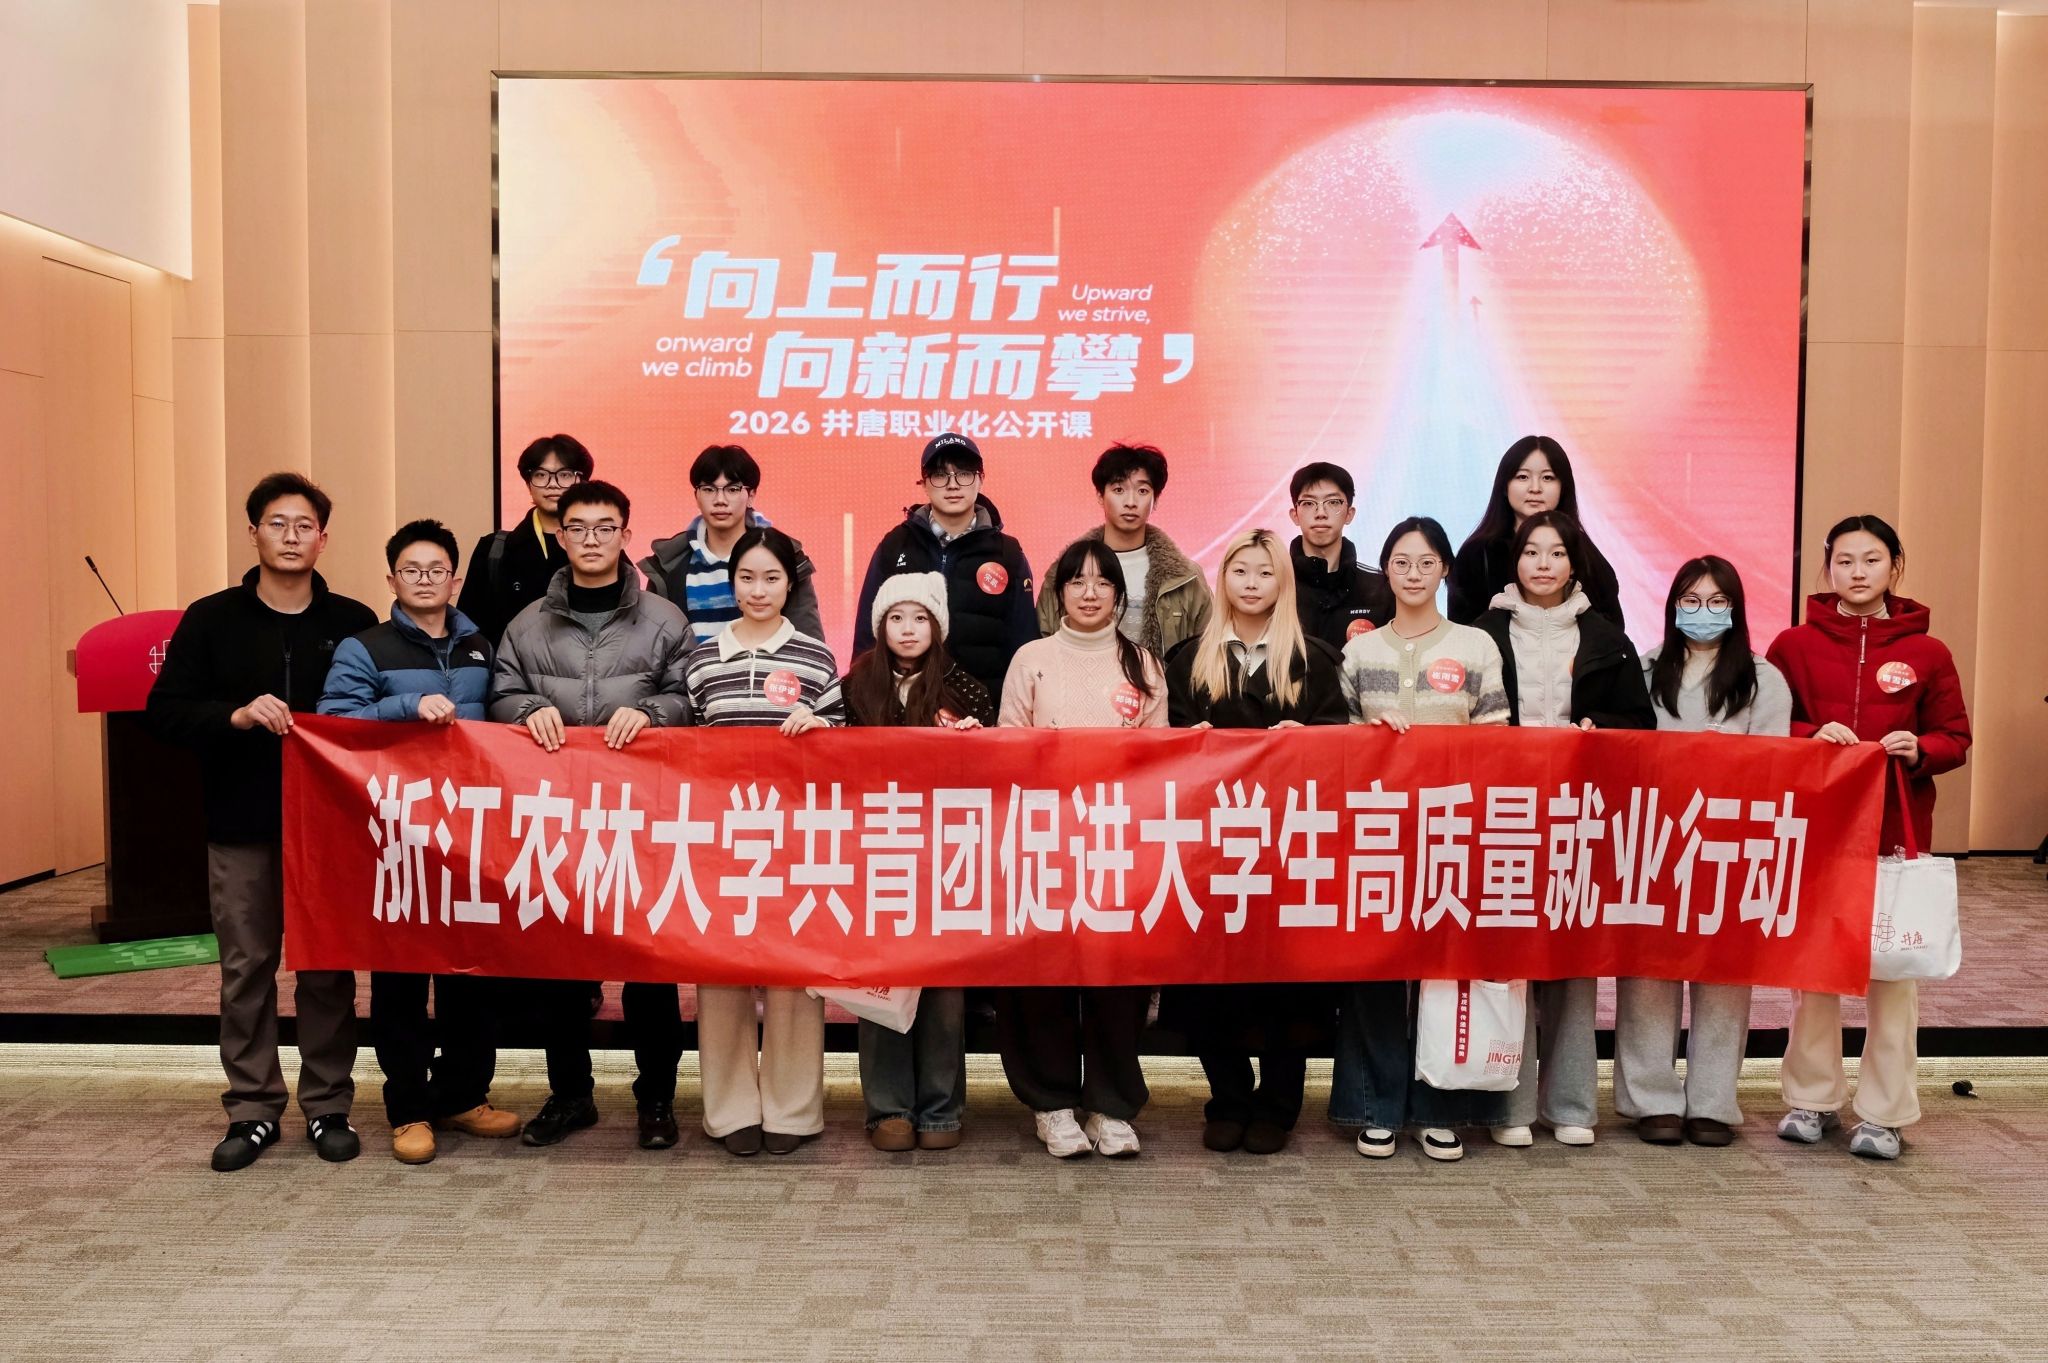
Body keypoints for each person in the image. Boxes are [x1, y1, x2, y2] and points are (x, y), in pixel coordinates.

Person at [147, 472, 378, 1171]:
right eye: (277, 523)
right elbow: (165, 712)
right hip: (241, 822)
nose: (290, 536)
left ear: (323, 538)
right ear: (253, 533)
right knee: (246, 966)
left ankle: (329, 1103)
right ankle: (251, 1108)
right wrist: (237, 715)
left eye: (304, 525)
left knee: (327, 970)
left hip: (330, 828)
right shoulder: (211, 618)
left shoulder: (353, 621)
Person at [488, 479, 693, 1152]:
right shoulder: (527, 624)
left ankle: (656, 1098)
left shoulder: (665, 620)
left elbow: (687, 696)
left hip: (640, 816)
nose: (591, 540)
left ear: (626, 535)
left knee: (649, 969)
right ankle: (570, 1094)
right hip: (558, 816)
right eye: (578, 528)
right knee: (563, 968)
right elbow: (501, 691)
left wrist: (655, 712)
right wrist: (526, 709)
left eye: (606, 528)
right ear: (561, 535)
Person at [317, 519, 522, 1163]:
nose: (425, 580)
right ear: (392, 580)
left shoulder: (481, 645)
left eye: (437, 570)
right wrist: (406, 707)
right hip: (398, 832)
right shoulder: (364, 648)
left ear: (455, 580)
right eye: (412, 570)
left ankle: (463, 1096)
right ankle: (408, 1108)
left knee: (473, 974)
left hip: (470, 832)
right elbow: (334, 722)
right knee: (401, 978)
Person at [1766, 514, 1971, 1161]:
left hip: (1894, 835)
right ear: (1827, 567)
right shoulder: (1794, 645)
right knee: (1815, 972)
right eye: (1845, 561)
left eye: (1872, 560)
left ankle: (1885, 1112)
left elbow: (1955, 737)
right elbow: (1768, 723)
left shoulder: (1928, 652)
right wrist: (1808, 735)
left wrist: (1921, 747)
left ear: (1895, 566)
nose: (1858, 573)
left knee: (1894, 975)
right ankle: (1812, 1098)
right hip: (1818, 829)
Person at [1330, 516, 1512, 1163]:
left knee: (1445, 972)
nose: (1413, 574)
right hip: (1376, 832)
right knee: (1376, 973)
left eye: (1426, 562)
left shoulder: (1475, 646)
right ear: (1387, 569)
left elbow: (1497, 737)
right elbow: (1334, 745)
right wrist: (1366, 735)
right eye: (1401, 562)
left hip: (1453, 830)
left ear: (1444, 570)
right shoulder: (1360, 651)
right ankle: (1376, 1106)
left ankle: (1442, 1109)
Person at [1473, 509, 1654, 1149]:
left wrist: (1600, 731)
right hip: (1505, 815)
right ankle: (1510, 1105)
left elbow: (1639, 726)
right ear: (1515, 561)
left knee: (1575, 961)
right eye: (1531, 552)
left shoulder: (1606, 637)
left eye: (1555, 552)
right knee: (1512, 959)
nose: (1543, 563)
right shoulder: (1483, 634)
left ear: (1574, 563)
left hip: (1581, 816)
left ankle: (1572, 1103)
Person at [1162, 530, 1346, 1155]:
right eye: (1240, 570)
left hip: (1287, 847)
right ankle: (1228, 1098)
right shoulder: (1189, 659)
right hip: (1209, 848)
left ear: (1283, 583)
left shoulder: (1313, 659)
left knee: (1285, 979)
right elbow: (1166, 750)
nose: (1251, 583)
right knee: (1212, 979)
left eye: (1265, 573)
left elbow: (1339, 749)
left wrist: (1306, 743)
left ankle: (1278, 1106)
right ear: (1223, 579)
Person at [1613, 556, 1791, 1148]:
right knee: (1648, 973)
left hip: (1728, 844)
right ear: (1672, 607)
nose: (1703, 612)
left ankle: (1713, 1101)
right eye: (1691, 601)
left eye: (1717, 602)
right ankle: (1652, 1100)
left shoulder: (1762, 678)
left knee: (1723, 974)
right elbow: (1623, 752)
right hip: (1652, 841)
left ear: (1736, 609)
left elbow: (1775, 769)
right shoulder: (1643, 669)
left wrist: (1727, 761)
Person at [997, 540, 1167, 1158]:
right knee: (1043, 976)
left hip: (1118, 843)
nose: (1090, 593)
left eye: (1102, 582)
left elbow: (1160, 760)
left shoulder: (1143, 665)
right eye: (1077, 582)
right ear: (1059, 593)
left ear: (1119, 595)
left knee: (1114, 980)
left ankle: (1111, 1106)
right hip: (1043, 840)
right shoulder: (1031, 658)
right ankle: (1051, 1103)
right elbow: (1007, 750)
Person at [682, 525, 845, 1156]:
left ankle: (792, 1111)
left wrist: (822, 730)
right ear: (731, 584)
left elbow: (845, 748)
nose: (758, 590)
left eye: (771, 578)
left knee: (792, 974)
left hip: (794, 838)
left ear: (789, 584)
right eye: (746, 577)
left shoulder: (815, 657)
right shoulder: (702, 660)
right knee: (720, 973)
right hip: (722, 838)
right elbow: (685, 751)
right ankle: (728, 1111)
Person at [842, 571, 996, 1152]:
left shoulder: (967, 690)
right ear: (880, 626)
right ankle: (888, 1109)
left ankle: (940, 1109)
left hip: (947, 856)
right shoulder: (854, 685)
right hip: (876, 851)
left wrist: (980, 746)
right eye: (896, 618)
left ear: (938, 627)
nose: (908, 629)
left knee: (944, 990)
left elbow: (994, 779)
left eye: (921, 618)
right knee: (880, 981)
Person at [853, 432, 1037, 704]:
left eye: (964, 474)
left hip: (985, 710)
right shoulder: (895, 545)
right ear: (924, 483)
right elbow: (867, 636)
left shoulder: (1008, 553)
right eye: (940, 475)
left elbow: (1023, 642)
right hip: (904, 709)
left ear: (981, 479)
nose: (953, 485)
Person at [636, 442, 826, 644]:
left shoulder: (784, 558)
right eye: (709, 489)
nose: (720, 500)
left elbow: (810, 644)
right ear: (696, 496)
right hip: (694, 666)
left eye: (733, 489)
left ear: (751, 495)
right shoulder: (669, 565)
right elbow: (654, 648)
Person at [1035, 443, 1212, 656]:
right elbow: (1043, 645)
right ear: (1100, 496)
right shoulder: (1064, 572)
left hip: (1160, 679)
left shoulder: (1185, 577)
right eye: (1119, 490)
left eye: (1142, 491)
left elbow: (1208, 651)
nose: (1130, 502)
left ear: (1155, 500)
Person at [1447, 435, 1624, 628]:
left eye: (1548, 478)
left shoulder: (1585, 552)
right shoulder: (1476, 554)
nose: (1535, 488)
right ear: (1505, 486)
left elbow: (1612, 632)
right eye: (1522, 477)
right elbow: (1461, 633)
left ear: (1563, 487)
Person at [459, 433, 593, 647]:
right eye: (541, 474)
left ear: (582, 481)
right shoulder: (494, 550)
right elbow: (470, 632)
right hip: (512, 666)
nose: (552, 484)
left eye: (565, 475)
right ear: (528, 483)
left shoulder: (601, 546)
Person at [1286, 461, 1394, 648]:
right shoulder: (1275, 585)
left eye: (1333, 502)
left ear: (1349, 514)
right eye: (1309, 503)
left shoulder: (1380, 589)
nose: (1321, 513)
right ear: (1295, 514)